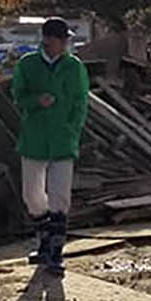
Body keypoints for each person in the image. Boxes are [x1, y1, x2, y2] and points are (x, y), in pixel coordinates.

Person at [11, 17, 88, 274]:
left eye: (66, 39)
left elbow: (80, 101)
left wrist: (73, 129)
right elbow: (17, 95)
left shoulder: (73, 66)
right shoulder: (28, 64)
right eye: (61, 39)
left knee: (59, 195)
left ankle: (56, 251)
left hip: (62, 139)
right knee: (32, 196)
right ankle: (43, 239)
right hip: (34, 138)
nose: (65, 43)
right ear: (48, 40)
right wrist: (35, 101)